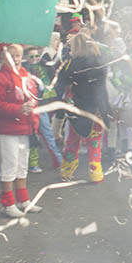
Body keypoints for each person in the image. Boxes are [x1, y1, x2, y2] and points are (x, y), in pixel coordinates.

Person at [0, 43, 43, 217]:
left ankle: (23, 199)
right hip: (8, 129)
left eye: (18, 55)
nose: (16, 59)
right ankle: (8, 203)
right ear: (2, 58)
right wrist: (18, 109)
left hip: (25, 127)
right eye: (11, 56)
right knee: (9, 166)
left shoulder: (26, 75)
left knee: (22, 165)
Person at [56, 31, 110, 183]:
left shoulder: (71, 64)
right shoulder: (101, 62)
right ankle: (96, 174)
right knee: (95, 142)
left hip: (78, 108)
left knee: (73, 141)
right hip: (97, 108)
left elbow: (64, 84)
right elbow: (102, 87)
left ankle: (66, 171)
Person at [23, 44, 63, 171]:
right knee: (33, 135)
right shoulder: (23, 70)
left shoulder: (45, 66)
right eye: (31, 56)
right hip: (29, 107)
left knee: (47, 133)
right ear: (26, 57)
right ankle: (33, 164)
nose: (34, 58)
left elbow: (54, 80)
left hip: (43, 105)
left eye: (36, 56)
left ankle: (59, 161)